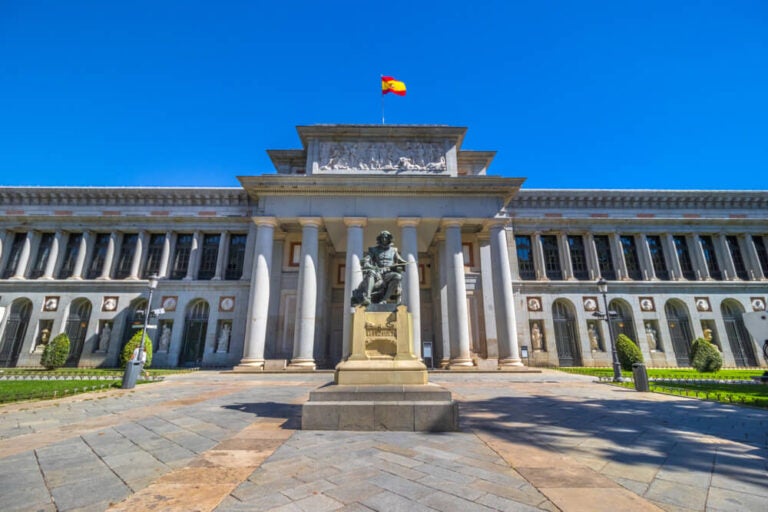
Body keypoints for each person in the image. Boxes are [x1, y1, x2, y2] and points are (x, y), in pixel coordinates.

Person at [352, 230, 407, 306]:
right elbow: (365, 261)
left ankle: (384, 299)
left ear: (389, 239)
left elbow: (402, 263)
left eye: (386, 238)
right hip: (377, 273)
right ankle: (368, 298)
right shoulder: (373, 250)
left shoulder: (394, 251)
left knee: (398, 276)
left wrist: (398, 267)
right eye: (382, 238)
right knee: (371, 272)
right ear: (379, 239)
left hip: (389, 274)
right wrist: (372, 267)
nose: (384, 239)